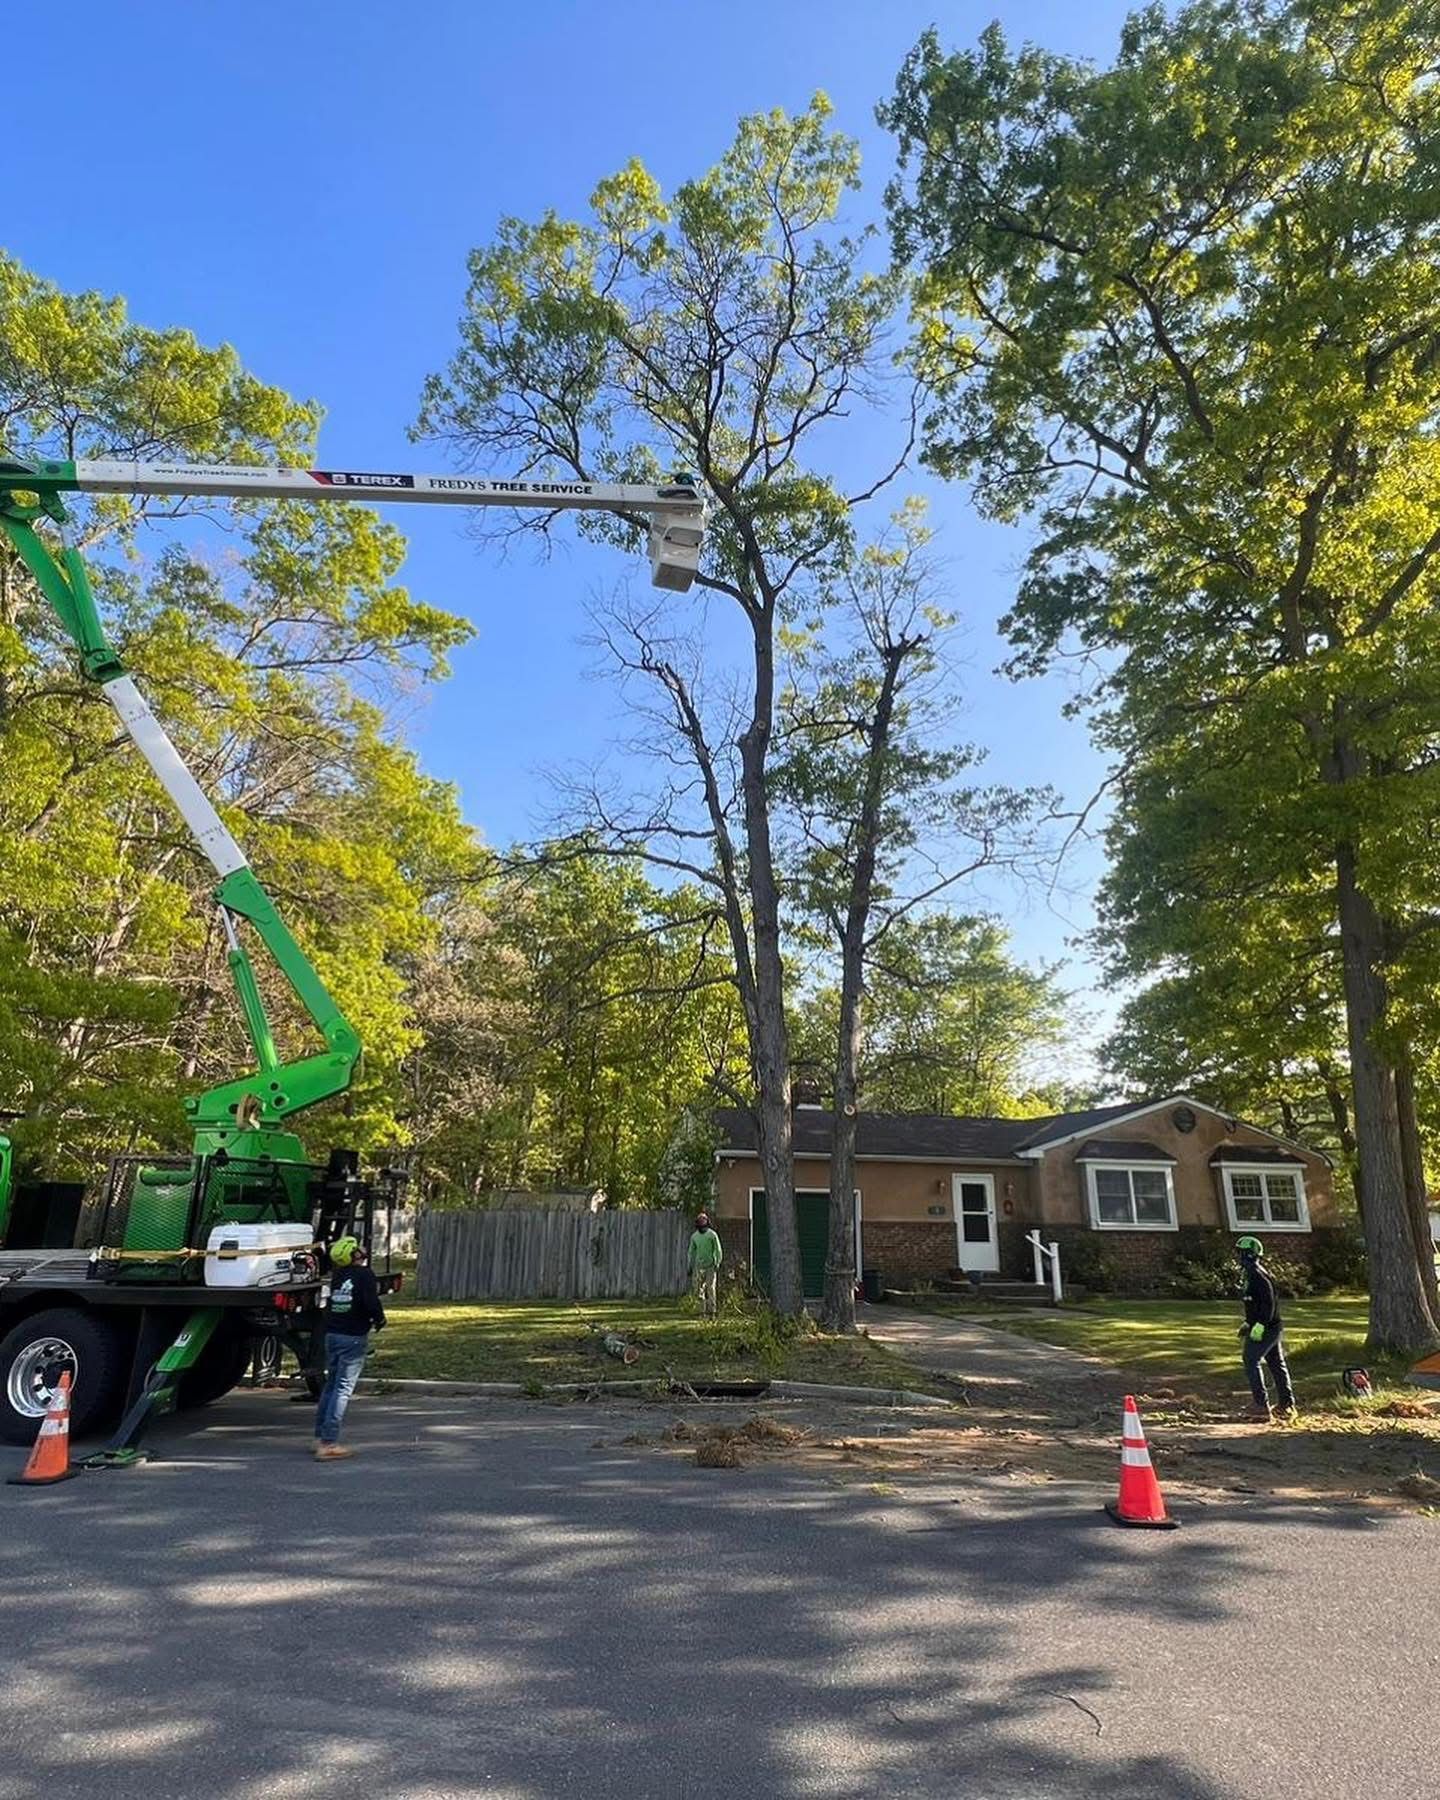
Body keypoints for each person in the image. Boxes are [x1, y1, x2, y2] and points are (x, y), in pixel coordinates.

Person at [313, 1235, 386, 1460]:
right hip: (352, 1336)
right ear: (354, 1254)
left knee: (331, 1386)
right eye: (357, 1249)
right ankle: (328, 1443)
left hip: (332, 1334)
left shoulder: (338, 1276)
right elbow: (370, 1302)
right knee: (343, 1389)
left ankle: (319, 1436)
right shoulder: (364, 1275)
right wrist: (379, 1319)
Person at [1236, 1234, 1295, 1422]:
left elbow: (1268, 1303)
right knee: (1276, 1363)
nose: (1240, 1258)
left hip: (1267, 1327)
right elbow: (1254, 1303)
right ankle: (1286, 1405)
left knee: (1250, 1359)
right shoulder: (1251, 1274)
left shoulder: (1257, 1274)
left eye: (1243, 1253)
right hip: (1266, 1325)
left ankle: (1260, 1405)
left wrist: (1260, 1325)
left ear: (1251, 1254)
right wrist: (1248, 1322)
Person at [687, 1211, 724, 1319]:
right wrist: (689, 1266)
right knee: (698, 1290)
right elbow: (691, 1252)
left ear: (707, 1222)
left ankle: (712, 1312)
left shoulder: (712, 1235)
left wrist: (717, 1262)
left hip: (710, 1266)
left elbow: (718, 1250)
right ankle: (701, 1313)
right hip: (699, 1266)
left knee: (711, 1288)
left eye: (704, 1220)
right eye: (700, 1220)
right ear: (697, 1223)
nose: (702, 1222)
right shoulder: (694, 1236)